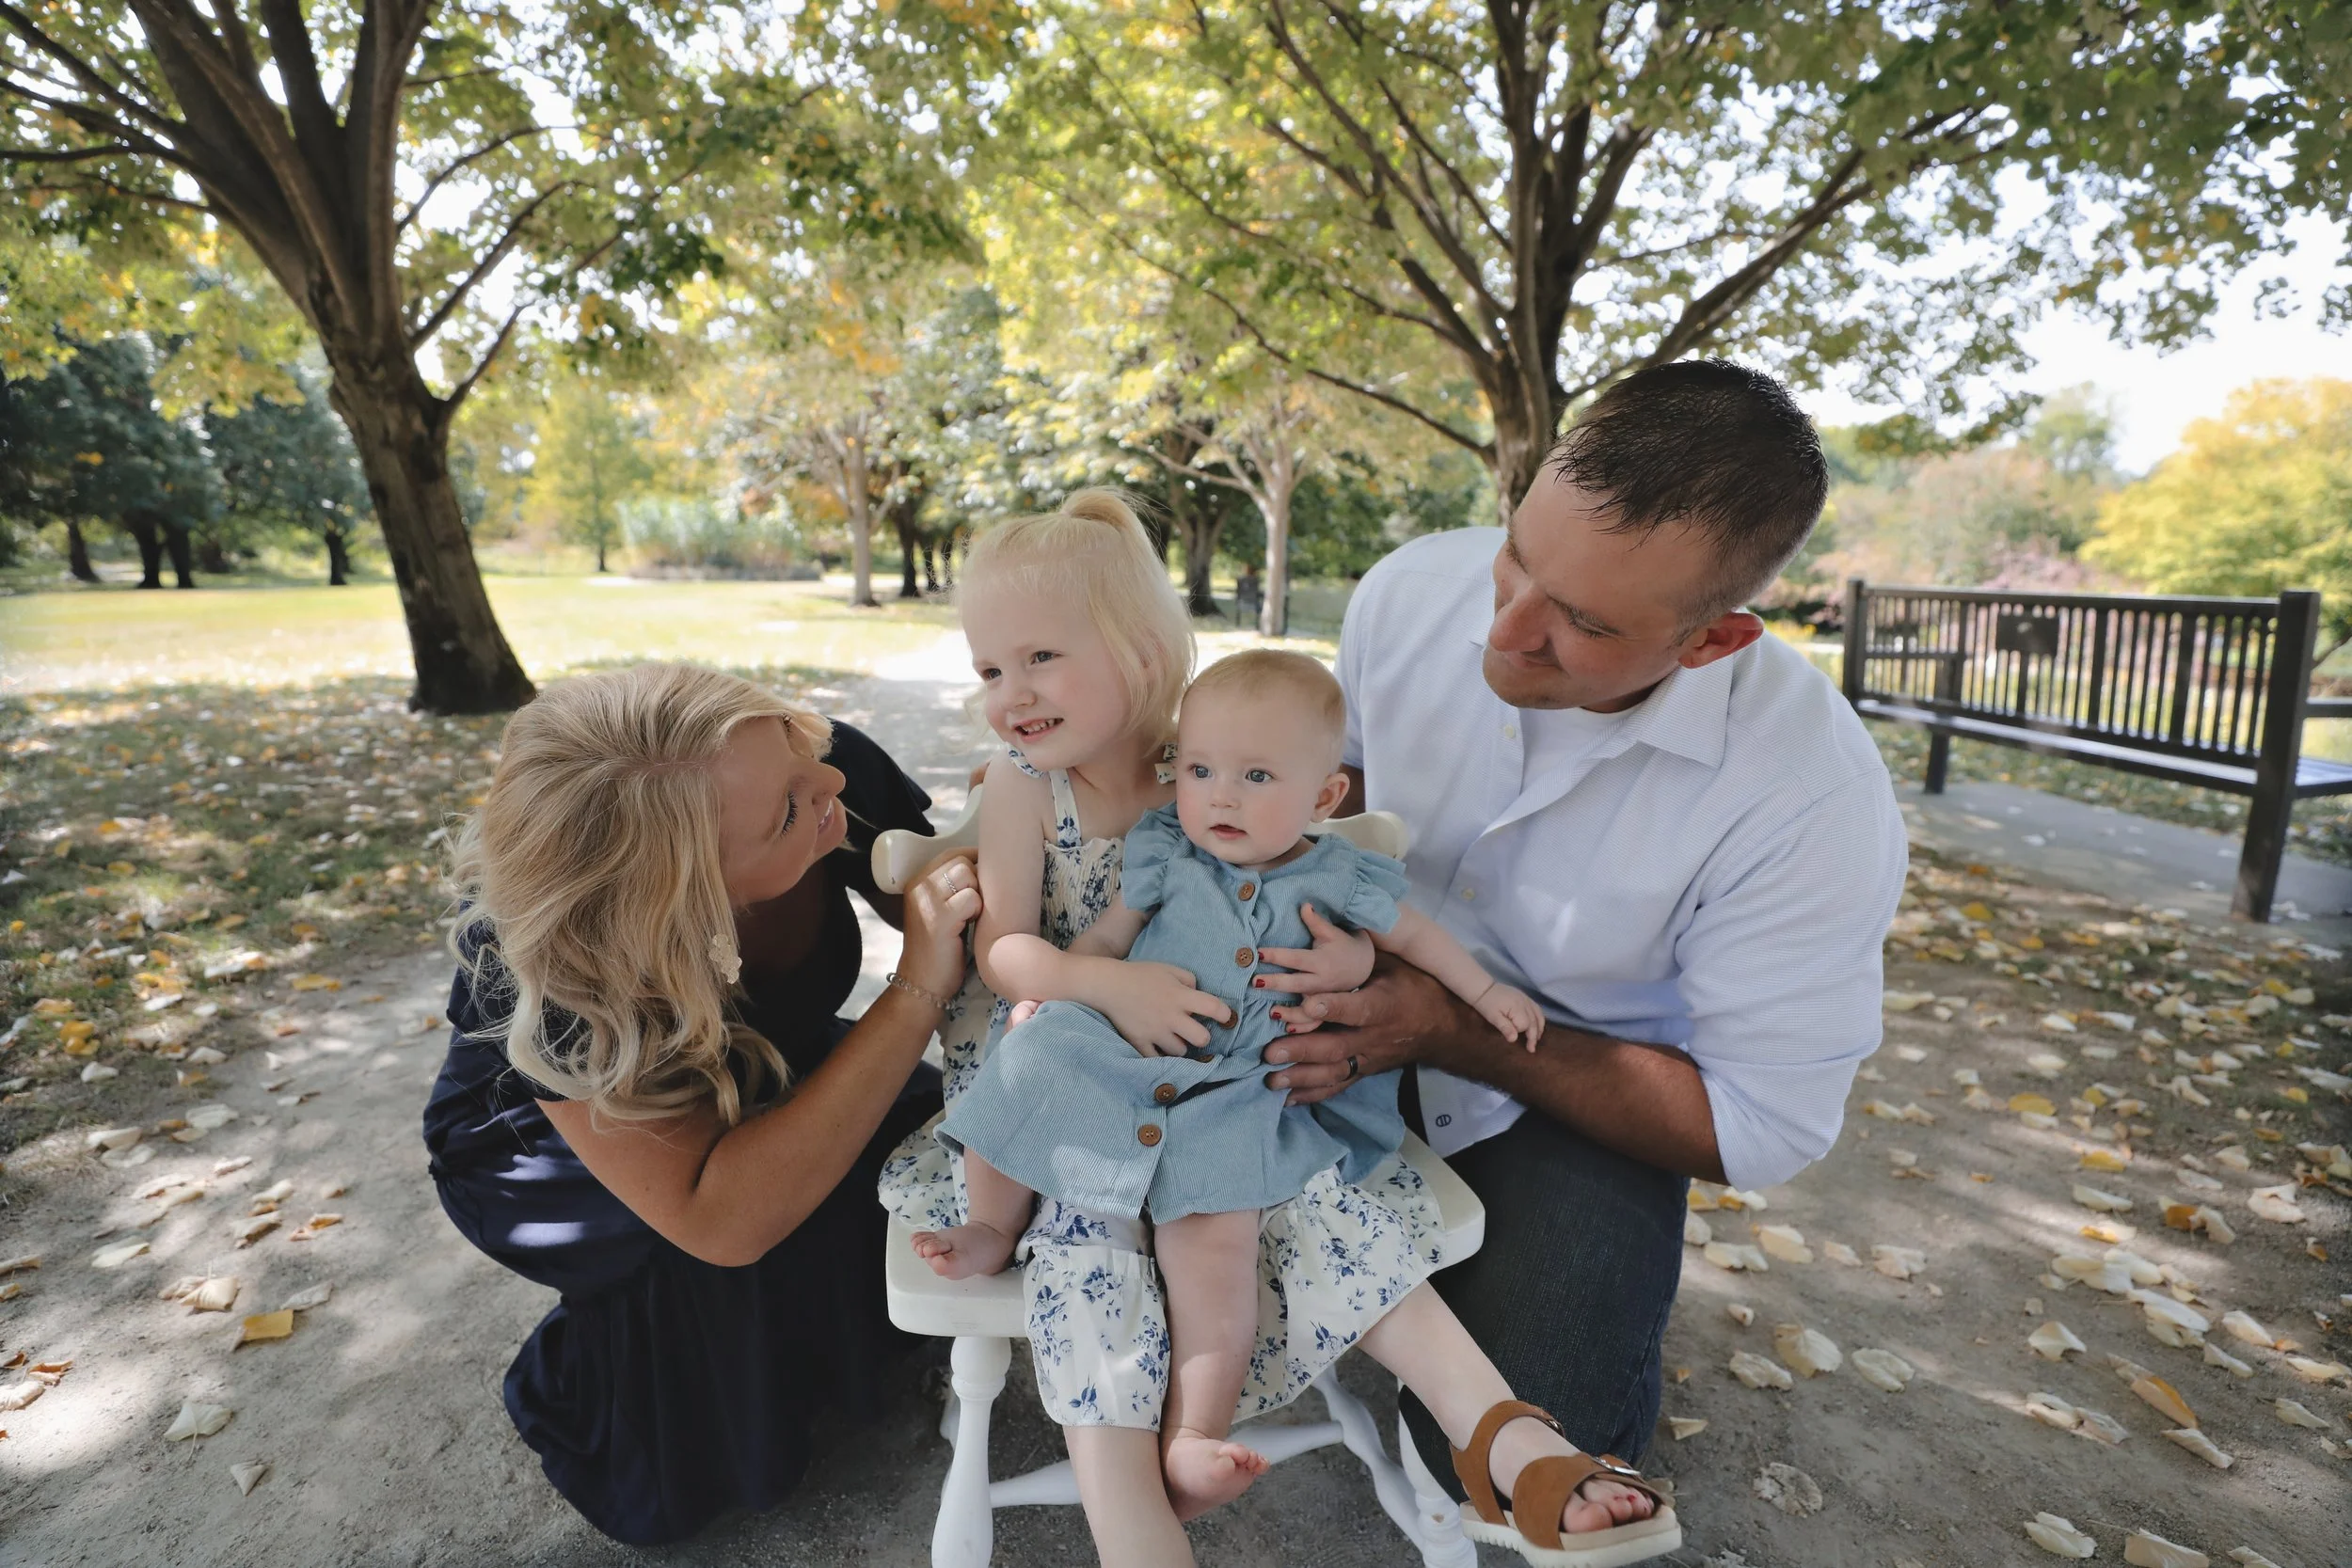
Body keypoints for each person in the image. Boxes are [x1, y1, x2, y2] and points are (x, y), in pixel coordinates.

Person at [880, 499, 1676, 1568]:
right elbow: (1009, 954)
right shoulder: (1028, 790)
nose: (1010, 693)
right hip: (1080, 1081)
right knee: (1088, 1252)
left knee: (1323, 1213)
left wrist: (1349, 959)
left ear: (1143, 652)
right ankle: (1136, 1525)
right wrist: (1103, 985)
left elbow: (1322, 877)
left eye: (1039, 657)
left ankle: (1507, 1433)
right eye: (988, 671)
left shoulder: (1213, 759)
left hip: (1242, 1081)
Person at [1263, 360, 1911, 1494]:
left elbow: (1761, 1125)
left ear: (1711, 642)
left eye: (1583, 621)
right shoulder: (1412, 587)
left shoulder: (1807, 795)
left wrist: (1447, 1028)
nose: (1505, 631)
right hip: (1334, 997)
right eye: (1517, 554)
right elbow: (1329, 790)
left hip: (1564, 1092)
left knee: (1510, 1455)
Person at [925, 649, 1548, 1504]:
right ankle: (994, 1225)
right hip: (1130, 1052)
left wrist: (1484, 991)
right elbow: (1109, 938)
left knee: (1213, 1252)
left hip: (1241, 1095)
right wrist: (1065, 986)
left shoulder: (1337, 871)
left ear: (1324, 797)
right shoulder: (1169, 848)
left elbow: (1418, 940)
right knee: (1030, 1057)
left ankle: (1195, 1431)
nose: (1220, 794)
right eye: (1202, 769)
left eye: (1256, 775)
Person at [421, 662, 982, 1545]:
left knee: (932, 1136)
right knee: (713, 1270)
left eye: (799, 750)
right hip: (563, 1150)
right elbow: (717, 1216)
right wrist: (913, 987)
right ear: (681, 896)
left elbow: (973, 921)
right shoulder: (546, 966)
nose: (831, 784)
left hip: (758, 1061)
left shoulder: (799, 770)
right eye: (790, 814)